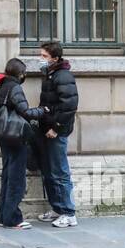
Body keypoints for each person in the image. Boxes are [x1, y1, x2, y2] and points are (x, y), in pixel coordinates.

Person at [0, 58, 48, 230]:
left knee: (8, 176)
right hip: (16, 138)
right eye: (23, 73)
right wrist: (42, 111)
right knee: (16, 179)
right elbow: (25, 111)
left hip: (5, 137)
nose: (24, 76)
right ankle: (13, 218)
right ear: (19, 74)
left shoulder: (3, 86)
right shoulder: (15, 87)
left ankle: (3, 216)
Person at [35, 41, 79, 227]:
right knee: (49, 172)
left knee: (60, 172)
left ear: (55, 58)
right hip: (47, 130)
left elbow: (69, 106)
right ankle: (58, 208)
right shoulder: (50, 75)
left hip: (56, 132)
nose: (40, 59)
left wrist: (56, 128)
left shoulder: (63, 76)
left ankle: (69, 213)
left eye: (44, 56)